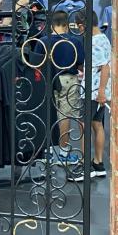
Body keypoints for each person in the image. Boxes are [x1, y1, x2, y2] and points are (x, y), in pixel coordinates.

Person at [69, 10, 111, 181]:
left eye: (78, 27)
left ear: (82, 25)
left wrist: (100, 91)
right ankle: (98, 163)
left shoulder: (96, 42)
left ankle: (86, 166)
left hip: (93, 91)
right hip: (96, 89)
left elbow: (105, 67)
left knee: (83, 125)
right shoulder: (102, 39)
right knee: (96, 124)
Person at [39, 10, 84, 165]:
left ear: (51, 25)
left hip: (47, 80)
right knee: (65, 116)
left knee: (47, 114)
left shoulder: (43, 41)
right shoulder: (75, 41)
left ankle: (48, 153)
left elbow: (37, 64)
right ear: (66, 25)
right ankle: (64, 153)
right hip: (68, 80)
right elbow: (81, 64)